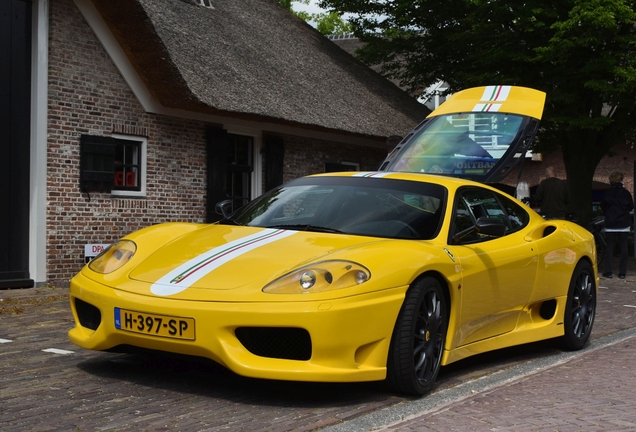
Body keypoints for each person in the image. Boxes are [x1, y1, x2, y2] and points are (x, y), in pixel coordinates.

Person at [601, 171, 634, 279]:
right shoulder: (626, 193)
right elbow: (630, 207)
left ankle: (609, 271)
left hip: (610, 223)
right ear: (621, 180)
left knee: (609, 247)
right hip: (624, 223)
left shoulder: (607, 193)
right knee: (623, 247)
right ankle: (622, 272)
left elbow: (603, 206)